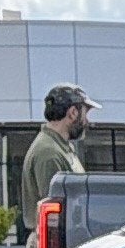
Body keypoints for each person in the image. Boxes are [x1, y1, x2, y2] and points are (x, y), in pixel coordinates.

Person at [17, 84, 92, 238]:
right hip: (54, 241)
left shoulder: (60, 147)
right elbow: (54, 213)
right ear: (72, 113)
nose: (87, 121)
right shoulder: (49, 152)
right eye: (85, 114)